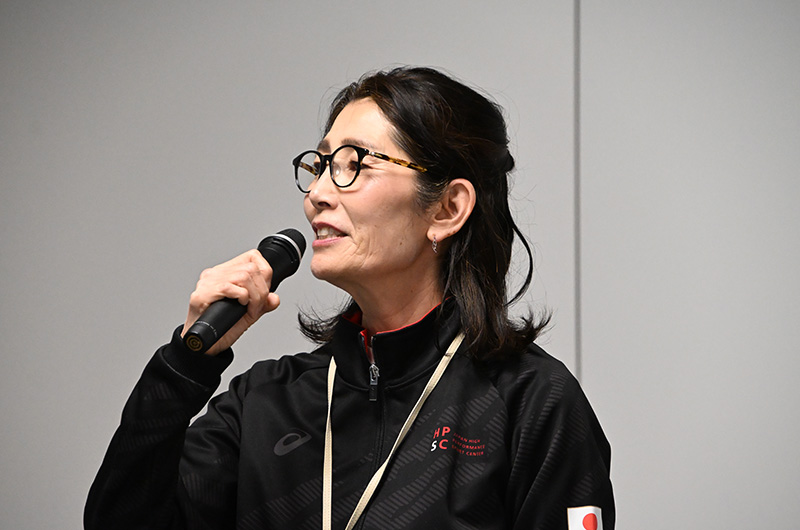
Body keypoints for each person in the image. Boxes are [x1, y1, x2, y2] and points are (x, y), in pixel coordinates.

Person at [85, 66, 614, 530]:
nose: (317, 194)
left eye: (354, 163)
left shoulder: (530, 403)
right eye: (319, 166)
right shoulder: (264, 404)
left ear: (447, 209)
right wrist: (186, 362)